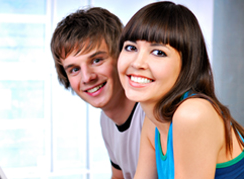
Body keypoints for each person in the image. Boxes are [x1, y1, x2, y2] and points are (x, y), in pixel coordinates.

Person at [117, 1, 244, 179]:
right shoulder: (153, 120)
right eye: (131, 48)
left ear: (186, 65)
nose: (137, 63)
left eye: (158, 52)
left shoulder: (192, 114)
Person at [50, 7, 146, 179]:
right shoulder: (107, 121)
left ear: (122, 56)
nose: (87, 77)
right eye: (74, 69)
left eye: (96, 60)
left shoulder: (151, 114)